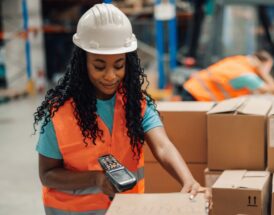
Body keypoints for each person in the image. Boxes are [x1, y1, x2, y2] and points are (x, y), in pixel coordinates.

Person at [33, 3, 211, 215]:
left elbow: (163, 147)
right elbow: (47, 174)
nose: (110, 76)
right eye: (99, 66)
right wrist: (96, 179)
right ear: (83, 62)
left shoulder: (135, 104)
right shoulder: (59, 114)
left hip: (125, 210)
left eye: (118, 65)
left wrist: (189, 181)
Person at [182, 51, 274, 101]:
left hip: (192, 88)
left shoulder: (240, 60)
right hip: (197, 95)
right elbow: (273, 90)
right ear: (261, 64)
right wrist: (265, 73)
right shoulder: (247, 76)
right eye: (268, 67)